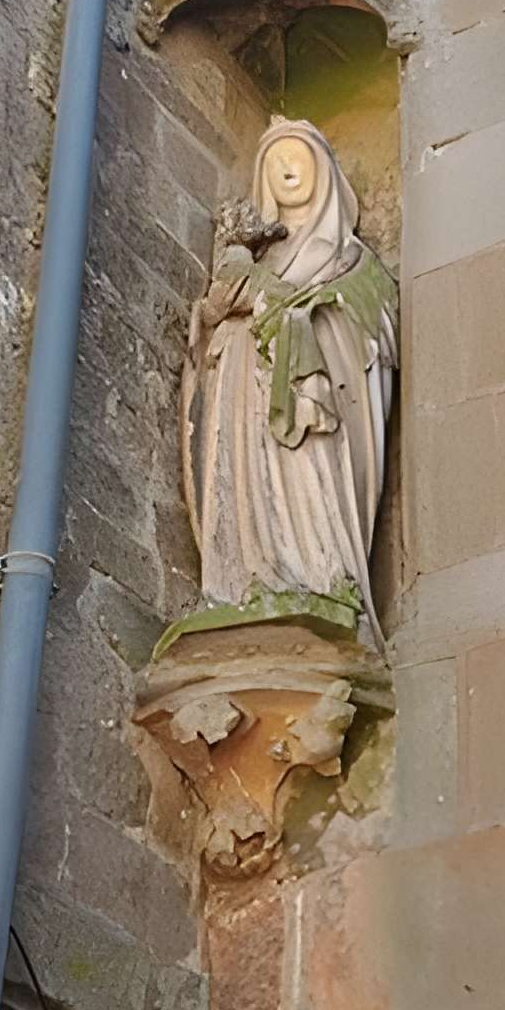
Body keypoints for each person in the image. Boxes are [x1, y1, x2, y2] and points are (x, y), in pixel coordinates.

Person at [181, 118, 397, 643]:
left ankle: (318, 578)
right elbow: (209, 327)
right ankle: (241, 583)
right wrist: (212, 314)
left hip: (305, 397)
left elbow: (370, 325)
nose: (285, 168)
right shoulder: (257, 254)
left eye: (296, 155)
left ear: (322, 169)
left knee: (302, 475)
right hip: (239, 387)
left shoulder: (349, 257)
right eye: (273, 162)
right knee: (242, 476)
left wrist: (295, 315)